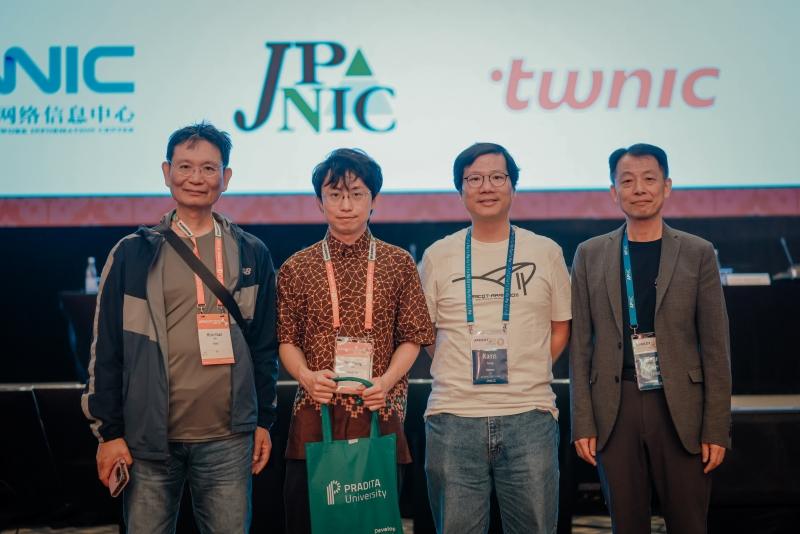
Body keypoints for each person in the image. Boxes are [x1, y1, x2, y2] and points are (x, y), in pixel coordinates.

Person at [81, 122, 278, 533]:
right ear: (167, 172)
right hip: (147, 438)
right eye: (185, 167)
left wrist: (263, 422)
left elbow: (264, 347)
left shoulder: (250, 252)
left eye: (209, 168)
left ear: (226, 178)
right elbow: (107, 351)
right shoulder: (133, 254)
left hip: (229, 438)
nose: (196, 178)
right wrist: (108, 434)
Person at [569, 143, 731, 533]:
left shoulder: (697, 253)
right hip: (616, 405)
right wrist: (583, 422)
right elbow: (581, 346)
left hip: (681, 408)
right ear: (614, 192)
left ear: (667, 186)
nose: (639, 189)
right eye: (627, 181)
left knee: (689, 523)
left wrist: (716, 428)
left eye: (649, 179)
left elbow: (716, 348)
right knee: (627, 524)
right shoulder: (590, 254)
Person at [277, 148, 435, 534]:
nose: (346, 205)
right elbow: (286, 340)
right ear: (320, 202)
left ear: (374, 200)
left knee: (374, 524)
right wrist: (306, 376)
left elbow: (413, 336)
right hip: (315, 414)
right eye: (335, 194)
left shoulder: (399, 263)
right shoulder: (296, 267)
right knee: (311, 523)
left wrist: (387, 381)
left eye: (357, 194)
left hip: (379, 410)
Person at [419, 142, 571, 533]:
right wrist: (456, 365)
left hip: (529, 415)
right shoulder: (438, 256)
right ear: (460, 191)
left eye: (497, 177)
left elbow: (560, 327)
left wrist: (529, 367)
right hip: (453, 417)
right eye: (474, 179)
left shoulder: (546, 252)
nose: (486, 186)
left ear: (513, 186)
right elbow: (427, 333)